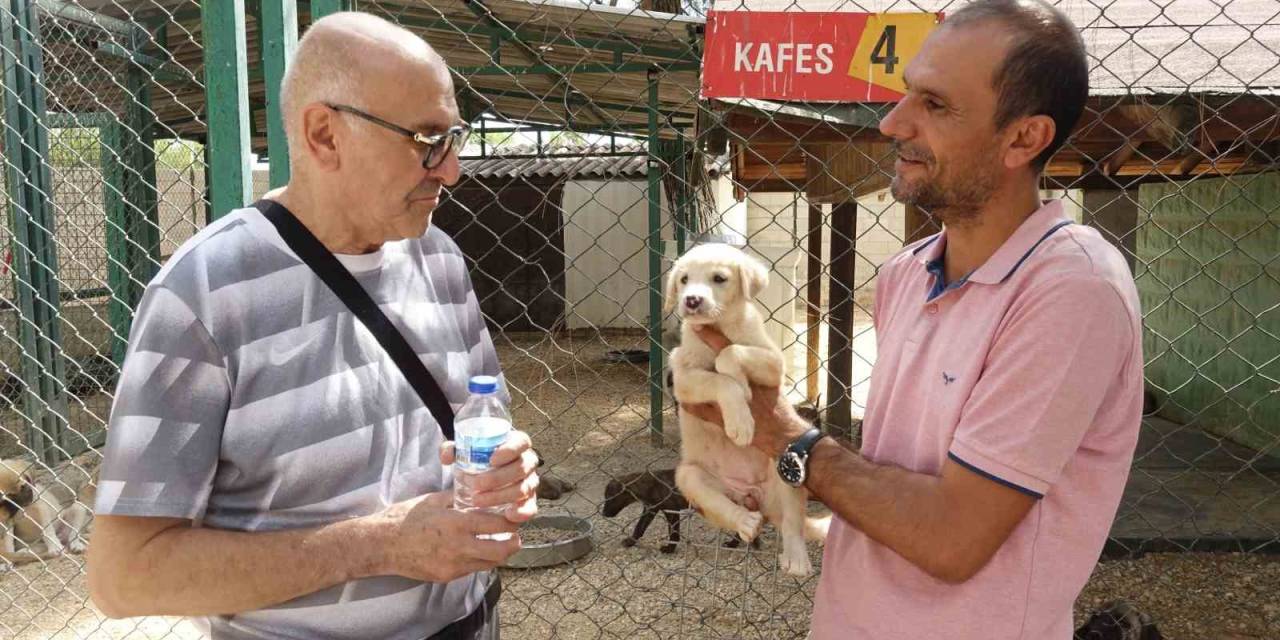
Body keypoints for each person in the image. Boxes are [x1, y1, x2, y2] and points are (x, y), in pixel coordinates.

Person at [684, 1, 1143, 638]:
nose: (893, 122)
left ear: (1023, 138)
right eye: (906, 94)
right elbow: (894, 467)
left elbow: (951, 538)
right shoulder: (906, 272)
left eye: (936, 104)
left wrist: (783, 435)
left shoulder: (1071, 291)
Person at [85, 13, 538, 639]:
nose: (451, 170)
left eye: (452, 137)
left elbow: (481, 419)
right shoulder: (204, 293)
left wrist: (506, 461)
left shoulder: (437, 256)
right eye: (426, 140)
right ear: (325, 135)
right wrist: (379, 545)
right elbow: (124, 576)